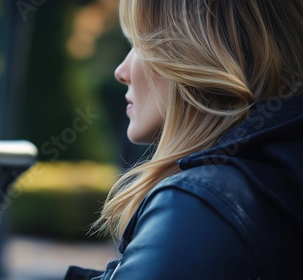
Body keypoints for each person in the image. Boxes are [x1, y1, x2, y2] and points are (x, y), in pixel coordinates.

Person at [64, 0, 303, 279]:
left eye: (139, 45)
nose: (121, 71)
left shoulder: (198, 205)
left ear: (194, 56)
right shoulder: (273, 180)